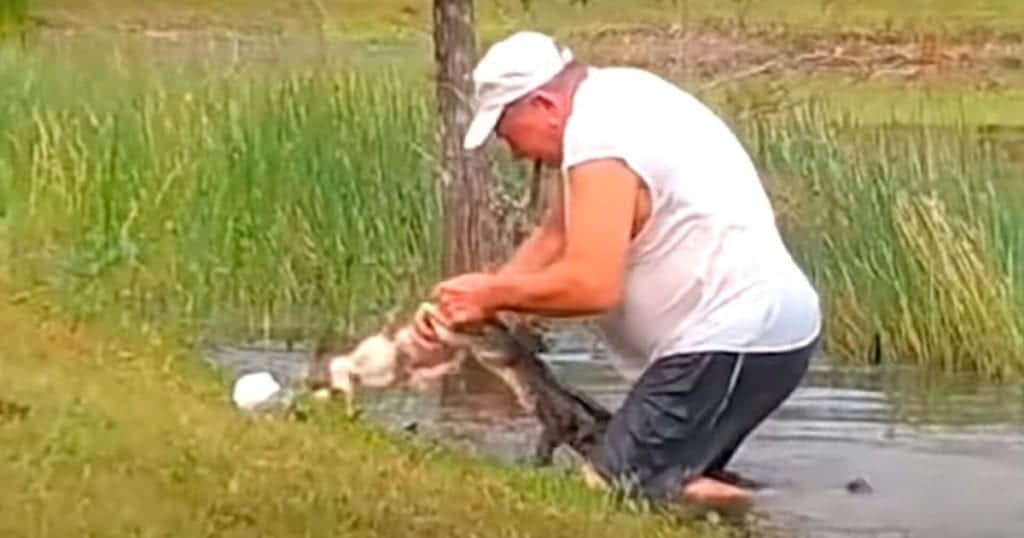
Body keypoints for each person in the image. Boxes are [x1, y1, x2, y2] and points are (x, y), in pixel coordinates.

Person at [410, 30, 823, 509]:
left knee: (613, 493)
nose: (515, 152)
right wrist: (471, 307)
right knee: (665, 480)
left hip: (733, 334)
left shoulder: (599, 136)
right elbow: (556, 238)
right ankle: (758, 510)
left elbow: (592, 286)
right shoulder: (614, 100)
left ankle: (806, 515)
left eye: (506, 132)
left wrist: (492, 296)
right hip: (747, 334)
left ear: (543, 105)